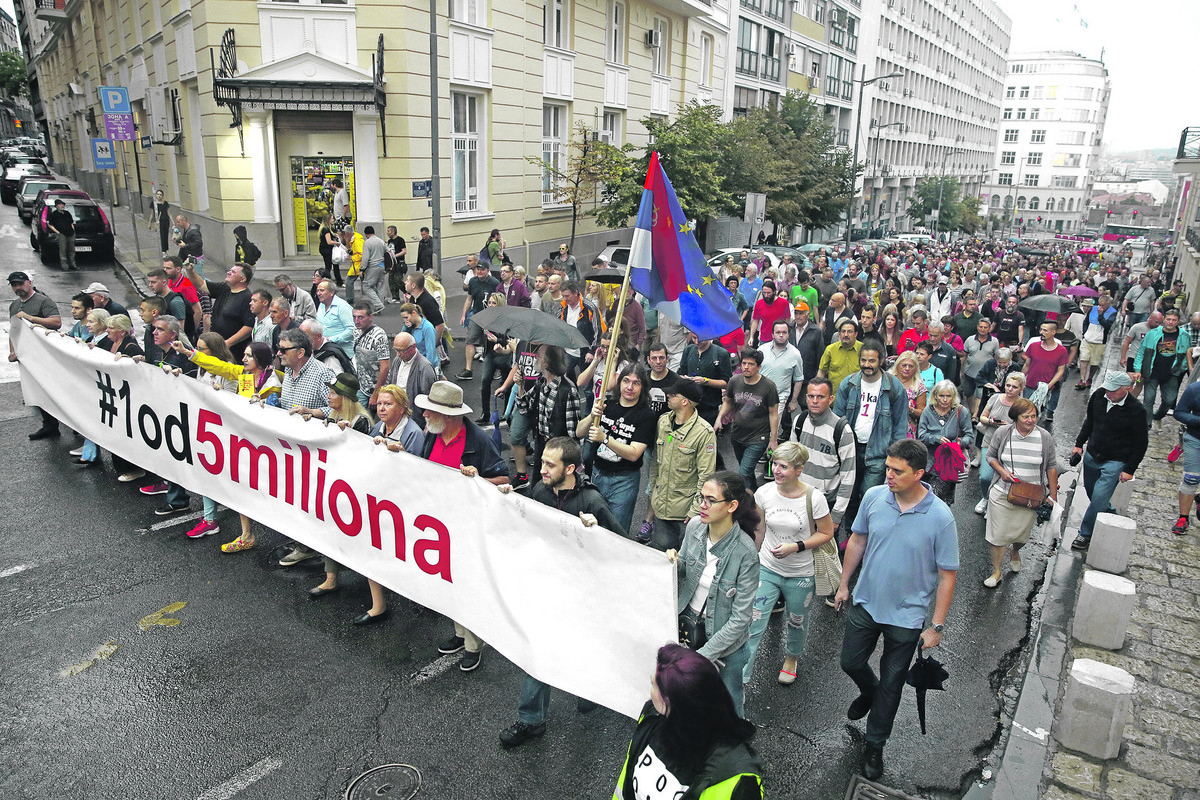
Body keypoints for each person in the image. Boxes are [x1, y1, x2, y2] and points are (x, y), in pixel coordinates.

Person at [836, 438, 958, 782]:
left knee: (892, 684)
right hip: (866, 602)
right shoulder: (875, 497)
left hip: (907, 617)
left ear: (920, 473)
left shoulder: (940, 517)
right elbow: (857, 539)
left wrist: (936, 626)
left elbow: (948, 575)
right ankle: (868, 691)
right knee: (851, 662)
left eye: (897, 471)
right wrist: (845, 584)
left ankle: (875, 745)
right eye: (887, 468)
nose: (888, 475)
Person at [496, 436, 622, 747]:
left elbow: (623, 548)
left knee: (583, 647)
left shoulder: (592, 502)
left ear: (570, 468)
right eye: (543, 462)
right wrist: (508, 502)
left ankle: (591, 687)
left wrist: (597, 535)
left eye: (550, 465)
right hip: (550, 588)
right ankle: (531, 719)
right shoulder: (540, 491)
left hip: (584, 595)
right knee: (540, 652)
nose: (542, 469)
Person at [418, 381, 509, 671]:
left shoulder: (477, 441)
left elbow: (503, 480)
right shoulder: (432, 435)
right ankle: (460, 634)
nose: (424, 416)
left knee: (468, 584)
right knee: (448, 581)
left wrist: (476, 479)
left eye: (430, 412)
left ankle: (474, 644)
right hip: (440, 524)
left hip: (468, 526)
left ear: (449, 416)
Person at [612, 644, 762, 799]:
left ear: (669, 702)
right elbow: (624, 783)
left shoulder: (737, 778)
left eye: (654, 685)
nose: (650, 693)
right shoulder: (651, 716)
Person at [666, 471, 761, 718]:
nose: (702, 505)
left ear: (732, 506)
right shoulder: (696, 526)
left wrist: (705, 656)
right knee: (685, 699)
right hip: (688, 629)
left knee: (729, 704)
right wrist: (674, 563)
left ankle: (736, 744)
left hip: (725, 644)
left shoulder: (745, 552)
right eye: (701, 497)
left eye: (710, 500)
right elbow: (685, 571)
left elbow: (741, 619)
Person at [744, 441, 836, 686]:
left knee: (797, 621)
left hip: (801, 574)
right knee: (753, 622)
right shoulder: (764, 493)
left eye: (783, 466)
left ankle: (791, 659)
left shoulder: (814, 498)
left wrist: (795, 547)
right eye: (774, 463)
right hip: (767, 568)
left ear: (799, 469)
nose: (775, 470)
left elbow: (826, 533)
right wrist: (751, 561)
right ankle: (740, 678)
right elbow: (759, 530)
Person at [305, 374, 386, 622]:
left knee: (366, 542)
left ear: (344, 398)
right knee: (330, 531)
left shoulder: (361, 420)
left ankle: (379, 603)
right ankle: (331, 578)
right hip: (337, 486)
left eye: (332, 393)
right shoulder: (334, 416)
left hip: (356, 490)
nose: (328, 396)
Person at [276, 329, 338, 565]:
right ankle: (304, 542)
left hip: (315, 452)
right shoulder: (288, 373)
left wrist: (311, 412)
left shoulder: (323, 373)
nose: (279, 353)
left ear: (300, 352)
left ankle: (315, 547)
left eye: (284, 349)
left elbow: (340, 407)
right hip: (291, 448)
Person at [982, 397, 1057, 587]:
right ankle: (996, 571)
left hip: (1031, 496)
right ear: (1016, 417)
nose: (1031, 420)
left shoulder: (1044, 437)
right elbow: (990, 456)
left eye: (1033, 416)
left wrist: (1053, 496)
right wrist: (1002, 472)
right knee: (997, 534)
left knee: (1021, 535)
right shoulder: (1003, 433)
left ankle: (1015, 551)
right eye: (1026, 417)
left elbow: (1051, 466)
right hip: (1002, 492)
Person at [1070, 372, 1149, 551]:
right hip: (1092, 455)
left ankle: (1085, 534)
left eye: (1113, 390)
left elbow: (1141, 443)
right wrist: (1079, 444)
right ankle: (1110, 513)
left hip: (1116, 460)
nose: (1108, 393)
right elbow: (1089, 421)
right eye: (1107, 388)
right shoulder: (1099, 395)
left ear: (1127, 389)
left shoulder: (1136, 410)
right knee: (1093, 493)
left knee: (1099, 496)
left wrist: (1130, 469)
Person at [576, 362, 656, 534]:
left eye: (636, 383)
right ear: (619, 383)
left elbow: (634, 454)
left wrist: (605, 439)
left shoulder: (646, 415)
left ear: (643, 387)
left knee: (615, 531)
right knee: (592, 525)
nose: (630, 387)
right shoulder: (607, 405)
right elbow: (579, 431)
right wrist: (592, 415)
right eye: (626, 381)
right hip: (597, 475)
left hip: (624, 482)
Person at [834, 341, 908, 526]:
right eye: (864, 360)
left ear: (881, 360)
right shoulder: (849, 384)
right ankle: (851, 533)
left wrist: (895, 455)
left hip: (878, 452)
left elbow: (900, 424)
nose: (867, 365)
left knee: (870, 496)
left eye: (872, 361)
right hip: (850, 449)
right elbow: (836, 419)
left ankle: (866, 533)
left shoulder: (894, 387)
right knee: (849, 495)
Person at [642, 379, 717, 550]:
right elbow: (655, 462)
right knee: (662, 554)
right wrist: (653, 492)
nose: (668, 396)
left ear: (685, 402)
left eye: (673, 394)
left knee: (686, 560)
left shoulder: (704, 433)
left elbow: (706, 476)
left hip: (686, 513)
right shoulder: (663, 422)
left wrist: (696, 510)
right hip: (661, 507)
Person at [789, 377, 856, 544]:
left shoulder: (842, 431)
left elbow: (848, 477)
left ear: (831, 399)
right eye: (811, 396)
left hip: (826, 502)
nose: (815, 401)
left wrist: (836, 516)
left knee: (824, 554)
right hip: (799, 496)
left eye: (821, 397)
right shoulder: (800, 421)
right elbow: (791, 460)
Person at [715, 348, 779, 491]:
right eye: (744, 363)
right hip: (737, 435)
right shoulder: (734, 381)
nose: (746, 367)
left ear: (758, 367)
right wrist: (720, 418)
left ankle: (746, 504)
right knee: (747, 473)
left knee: (743, 473)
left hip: (758, 437)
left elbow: (773, 413)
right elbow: (728, 402)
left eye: (750, 364)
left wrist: (773, 439)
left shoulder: (768, 386)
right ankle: (756, 496)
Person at [8, 271, 62, 439]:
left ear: (29, 283)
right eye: (14, 285)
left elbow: (56, 322)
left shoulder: (43, 301)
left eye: (20, 284)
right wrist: (12, 351)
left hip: (45, 355)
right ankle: (49, 425)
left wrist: (30, 318)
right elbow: (14, 330)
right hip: (27, 357)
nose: (18, 288)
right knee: (36, 392)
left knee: (53, 391)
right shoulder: (14, 305)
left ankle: (71, 423)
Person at [975, 372, 1027, 514]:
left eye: (1014, 387)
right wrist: (992, 422)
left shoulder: (1022, 405)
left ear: (1021, 389)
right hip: (990, 442)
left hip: (1010, 446)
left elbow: (1027, 427)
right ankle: (985, 498)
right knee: (985, 476)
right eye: (1008, 385)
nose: (1010, 389)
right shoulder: (995, 398)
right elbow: (982, 417)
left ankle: (995, 503)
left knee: (1005, 478)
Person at [1133, 307, 1192, 431]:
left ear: (1178, 321)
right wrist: (1138, 369)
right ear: (1164, 320)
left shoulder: (1184, 336)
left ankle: (1158, 415)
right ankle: (1146, 425)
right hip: (1152, 371)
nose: (1170, 322)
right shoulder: (1153, 333)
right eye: (1168, 319)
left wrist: (1183, 368)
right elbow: (1141, 351)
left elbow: (1188, 353)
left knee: (1169, 399)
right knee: (1148, 400)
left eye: (1174, 320)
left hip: (1172, 372)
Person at [185, 260, 255, 361]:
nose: (228, 272)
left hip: (234, 351)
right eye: (230, 270)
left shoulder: (248, 298)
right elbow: (201, 285)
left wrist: (228, 343)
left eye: (233, 272)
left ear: (243, 279)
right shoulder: (224, 288)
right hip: (216, 347)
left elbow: (248, 327)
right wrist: (190, 270)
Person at [917, 380, 974, 504]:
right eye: (941, 396)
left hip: (949, 462)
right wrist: (936, 439)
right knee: (926, 496)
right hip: (929, 462)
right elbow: (921, 435)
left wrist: (958, 443)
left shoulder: (961, 411)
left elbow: (969, 435)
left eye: (948, 396)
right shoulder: (928, 410)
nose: (945, 399)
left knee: (940, 498)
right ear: (935, 396)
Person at [758, 320, 804, 436]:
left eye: (784, 332)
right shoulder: (761, 350)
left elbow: (798, 379)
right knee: (757, 429)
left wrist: (793, 402)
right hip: (758, 396)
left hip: (780, 398)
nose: (781, 335)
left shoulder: (795, 354)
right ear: (772, 334)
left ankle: (770, 452)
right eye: (778, 332)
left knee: (772, 431)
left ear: (789, 334)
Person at [457, 257, 501, 380]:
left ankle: (497, 369)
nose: (480, 271)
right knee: (470, 341)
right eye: (478, 269)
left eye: (482, 269)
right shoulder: (473, 281)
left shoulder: (494, 283)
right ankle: (468, 369)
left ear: (487, 270)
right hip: (476, 315)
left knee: (493, 342)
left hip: (490, 316)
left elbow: (499, 299)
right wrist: (463, 315)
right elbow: (469, 298)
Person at [679, 334, 733, 428]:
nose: (696, 342)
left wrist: (706, 381)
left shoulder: (721, 353)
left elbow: (727, 383)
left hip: (709, 406)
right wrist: (685, 380)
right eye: (694, 338)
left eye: (700, 339)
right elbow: (680, 373)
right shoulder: (689, 350)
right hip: (689, 405)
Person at [385, 331, 438, 427]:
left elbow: (429, 399)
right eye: (395, 350)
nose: (397, 354)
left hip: (414, 420)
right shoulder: (397, 360)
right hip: (397, 415)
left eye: (401, 351)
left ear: (413, 347)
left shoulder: (425, 367)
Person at [1023, 321, 1070, 422]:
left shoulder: (1061, 351)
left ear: (1053, 332)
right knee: (1025, 412)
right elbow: (1027, 365)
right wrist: (1021, 379)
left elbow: (1060, 370)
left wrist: (1049, 386)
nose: (1041, 332)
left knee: (1036, 415)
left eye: (1045, 330)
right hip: (1029, 385)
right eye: (1041, 329)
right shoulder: (1033, 346)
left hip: (1045, 388)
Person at [1171, 379, 1200, 535]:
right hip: (1196, 440)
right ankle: (1183, 519)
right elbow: (1179, 412)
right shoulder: (1195, 389)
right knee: (1191, 478)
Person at [351, 302, 390, 411]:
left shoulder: (379, 335)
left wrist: (375, 394)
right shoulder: (356, 331)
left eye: (360, 317)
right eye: (354, 317)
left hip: (379, 388)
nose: (356, 321)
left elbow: (385, 367)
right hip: (363, 387)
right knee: (359, 420)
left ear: (370, 317)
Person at [1075, 295, 1117, 390]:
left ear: (1108, 304)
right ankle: (1082, 379)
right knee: (1084, 358)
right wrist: (1085, 333)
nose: (1100, 307)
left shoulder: (1112, 313)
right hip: (1087, 339)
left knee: (1094, 362)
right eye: (1099, 304)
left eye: (1103, 305)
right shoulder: (1093, 309)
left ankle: (1090, 378)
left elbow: (1107, 325)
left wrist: (1101, 315)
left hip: (1099, 341)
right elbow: (1086, 321)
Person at [164, 256, 205, 339]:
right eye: (164, 267)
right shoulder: (170, 281)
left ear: (178, 269)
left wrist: (192, 331)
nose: (165, 270)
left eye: (168, 268)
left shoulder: (186, 286)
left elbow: (197, 311)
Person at [314, 279, 355, 360]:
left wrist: (330, 340)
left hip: (343, 354)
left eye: (322, 290)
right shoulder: (321, 305)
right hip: (325, 351)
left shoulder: (342, 306)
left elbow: (352, 330)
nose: (318, 293)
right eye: (317, 290)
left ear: (331, 292)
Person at [818, 319, 862, 391]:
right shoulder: (830, 349)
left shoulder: (863, 350)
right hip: (835, 396)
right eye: (843, 331)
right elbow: (822, 371)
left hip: (856, 395)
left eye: (849, 332)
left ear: (856, 334)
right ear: (839, 334)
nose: (846, 335)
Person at [891, 351, 927, 439]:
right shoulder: (888, 381)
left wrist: (911, 410)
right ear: (898, 365)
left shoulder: (919, 386)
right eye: (904, 365)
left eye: (911, 366)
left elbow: (923, 412)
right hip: (886, 425)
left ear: (915, 368)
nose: (907, 368)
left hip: (907, 429)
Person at [400, 302, 440, 372]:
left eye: (406, 317)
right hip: (415, 364)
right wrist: (406, 327)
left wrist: (425, 370)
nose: (405, 320)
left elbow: (430, 353)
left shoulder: (428, 328)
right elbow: (401, 340)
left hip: (426, 366)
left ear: (414, 313)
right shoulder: (410, 326)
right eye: (403, 318)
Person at [749, 280, 790, 346]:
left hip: (780, 338)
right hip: (765, 338)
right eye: (764, 293)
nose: (766, 295)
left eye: (769, 293)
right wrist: (751, 337)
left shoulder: (784, 303)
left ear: (774, 292)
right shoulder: (759, 303)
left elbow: (788, 320)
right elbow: (755, 321)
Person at [359, 226, 388, 314]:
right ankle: (379, 306)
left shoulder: (367, 243)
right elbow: (388, 252)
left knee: (367, 286)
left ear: (366, 234)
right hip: (382, 266)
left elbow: (365, 257)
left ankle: (378, 305)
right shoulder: (381, 241)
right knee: (380, 286)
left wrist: (362, 268)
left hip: (373, 267)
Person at [47, 198, 77, 270]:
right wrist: (58, 232)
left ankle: (73, 264)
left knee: (72, 250)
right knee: (63, 250)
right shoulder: (53, 214)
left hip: (70, 233)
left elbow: (71, 223)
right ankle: (65, 266)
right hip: (61, 234)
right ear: (56, 206)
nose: (62, 206)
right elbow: (50, 224)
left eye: (63, 204)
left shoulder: (67, 213)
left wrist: (73, 230)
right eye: (59, 204)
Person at [338, 225, 364, 305]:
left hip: (358, 265)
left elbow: (361, 254)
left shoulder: (357, 241)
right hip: (357, 265)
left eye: (345, 233)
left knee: (349, 281)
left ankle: (349, 299)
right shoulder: (355, 239)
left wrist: (352, 257)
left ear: (348, 233)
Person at [385, 225, 408, 303]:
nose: (387, 233)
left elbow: (404, 251)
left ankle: (407, 292)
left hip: (399, 263)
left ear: (393, 231)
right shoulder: (390, 241)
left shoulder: (400, 240)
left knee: (398, 280)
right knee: (391, 280)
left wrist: (395, 256)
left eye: (388, 231)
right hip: (392, 264)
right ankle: (395, 297)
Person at [318, 214, 341, 286]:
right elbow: (329, 241)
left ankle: (328, 280)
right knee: (331, 265)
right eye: (331, 219)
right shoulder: (326, 229)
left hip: (325, 249)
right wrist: (337, 243)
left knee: (329, 265)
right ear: (328, 220)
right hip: (327, 249)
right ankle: (335, 281)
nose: (333, 220)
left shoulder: (325, 228)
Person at [149, 188, 171, 256]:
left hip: (166, 221)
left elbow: (168, 212)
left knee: (165, 236)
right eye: (158, 194)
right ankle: (163, 251)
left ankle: (165, 250)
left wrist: (173, 221)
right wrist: (149, 223)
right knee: (161, 235)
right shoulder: (154, 203)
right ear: (155, 195)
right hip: (159, 222)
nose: (159, 196)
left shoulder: (165, 203)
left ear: (163, 196)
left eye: (160, 195)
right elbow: (152, 214)